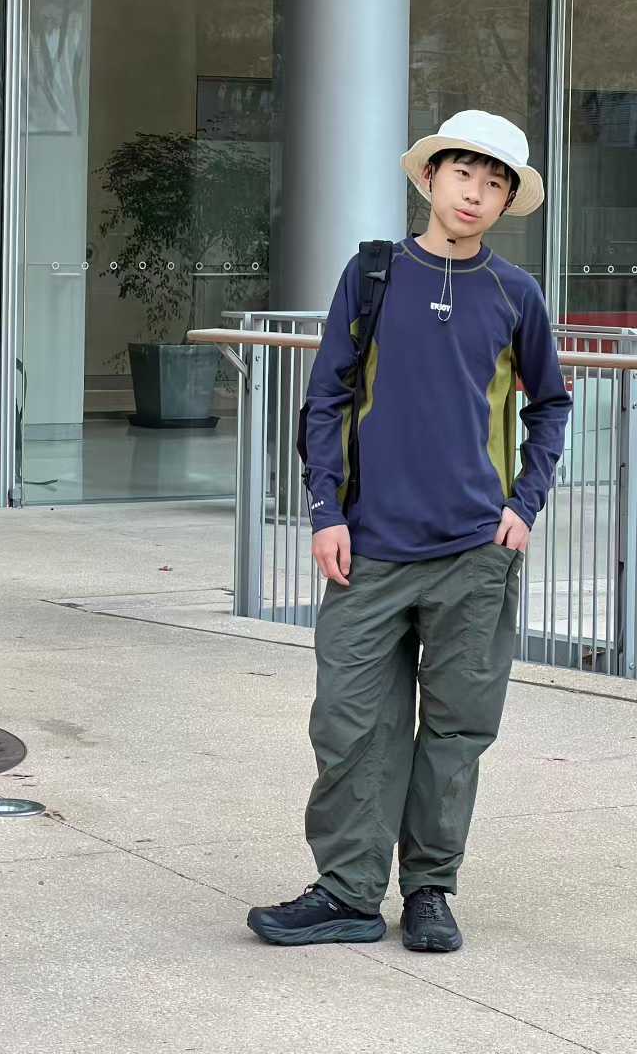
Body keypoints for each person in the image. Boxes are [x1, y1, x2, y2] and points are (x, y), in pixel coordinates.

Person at [248, 110, 572, 954]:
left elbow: (551, 405)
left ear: (506, 201)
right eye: (464, 173)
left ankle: (430, 889)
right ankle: (348, 894)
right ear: (430, 177)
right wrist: (325, 511)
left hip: (475, 553)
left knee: (455, 735)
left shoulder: (516, 294)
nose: (476, 193)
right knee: (351, 725)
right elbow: (325, 399)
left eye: (495, 183)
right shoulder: (374, 275)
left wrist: (524, 504)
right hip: (370, 549)